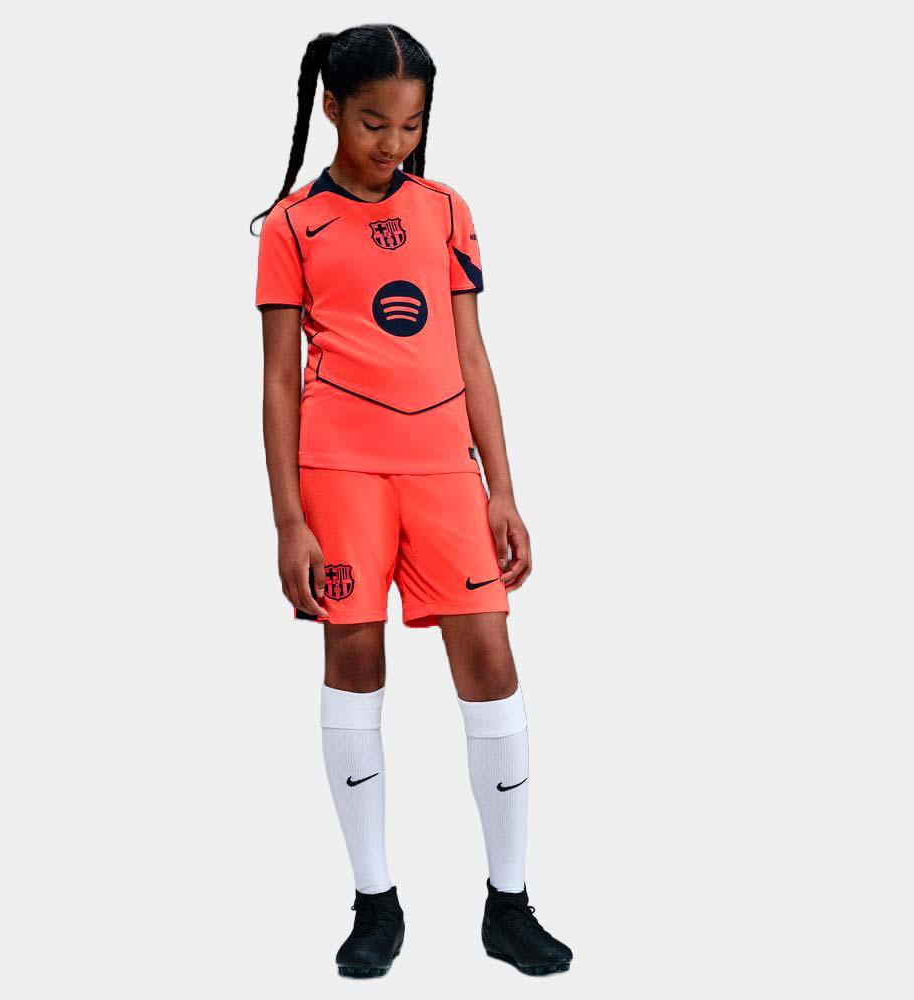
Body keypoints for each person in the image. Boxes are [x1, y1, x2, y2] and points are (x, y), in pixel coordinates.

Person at [251, 24, 572, 978]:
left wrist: (503, 489)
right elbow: (278, 383)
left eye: (411, 124)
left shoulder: (446, 211)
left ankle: (508, 904)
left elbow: (471, 353)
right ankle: (374, 902)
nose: (393, 143)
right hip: (340, 471)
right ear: (331, 109)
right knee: (354, 662)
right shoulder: (291, 227)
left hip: (443, 471)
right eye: (373, 123)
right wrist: (288, 520)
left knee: (492, 663)